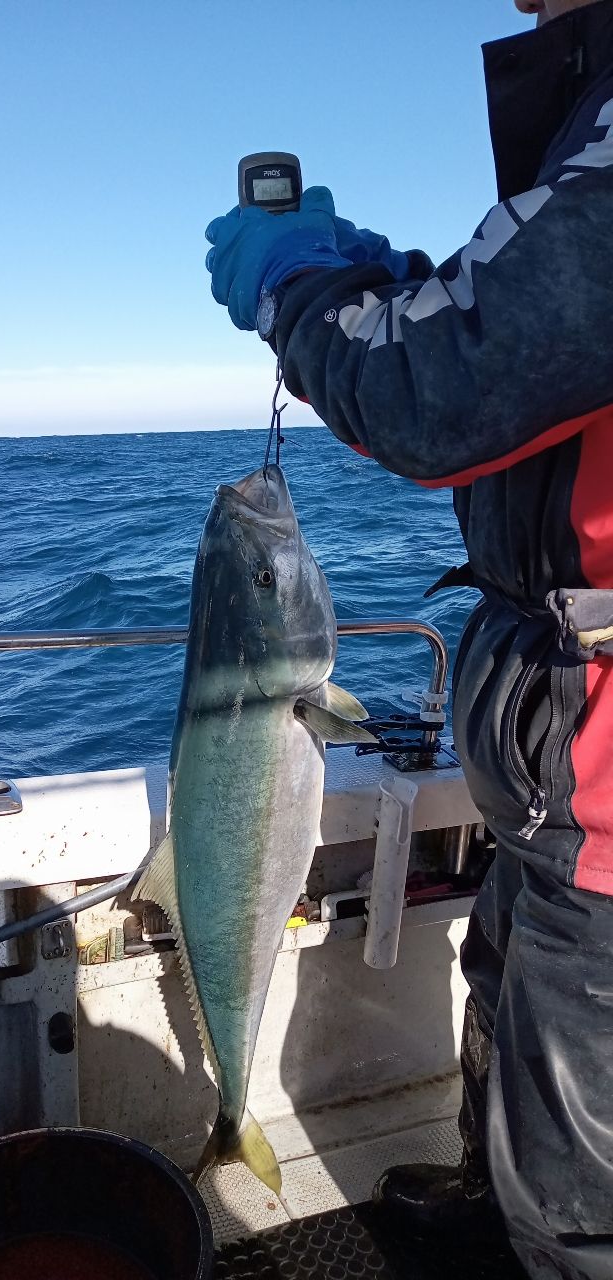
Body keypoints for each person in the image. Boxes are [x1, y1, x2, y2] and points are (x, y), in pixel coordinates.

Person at [204, 2, 613, 1278]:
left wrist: (306, 286)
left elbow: (442, 394)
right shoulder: (585, 115)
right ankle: (499, 1209)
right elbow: (529, 387)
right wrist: (397, 290)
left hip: (604, 777)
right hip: (556, 762)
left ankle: (541, 1230)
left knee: (585, 1188)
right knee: (510, 985)